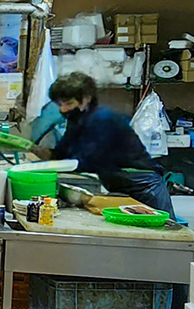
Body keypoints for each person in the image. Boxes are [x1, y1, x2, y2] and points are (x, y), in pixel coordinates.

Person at [48, 72, 172, 212]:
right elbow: (63, 151)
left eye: (69, 103)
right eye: (59, 104)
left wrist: (49, 164)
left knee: (156, 231)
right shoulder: (77, 119)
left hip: (144, 187)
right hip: (120, 185)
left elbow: (89, 160)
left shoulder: (103, 119)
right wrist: (43, 153)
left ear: (86, 99)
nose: (63, 109)